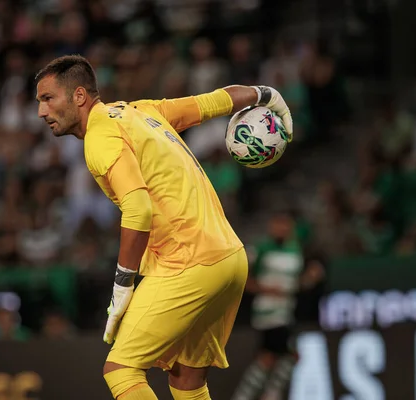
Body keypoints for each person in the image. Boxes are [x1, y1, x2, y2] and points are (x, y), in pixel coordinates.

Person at [34, 55, 293, 400]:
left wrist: (122, 285)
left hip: (188, 264)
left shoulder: (100, 137)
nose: (41, 111)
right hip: (230, 260)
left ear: (79, 96)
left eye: (47, 98)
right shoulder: (140, 111)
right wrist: (264, 94)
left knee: (121, 370)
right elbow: (214, 102)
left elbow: (138, 210)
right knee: (186, 378)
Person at [231, 212, 325, 400]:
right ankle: (258, 395)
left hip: (286, 311)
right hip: (268, 312)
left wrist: (310, 278)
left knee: (278, 357)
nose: (282, 228)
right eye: (278, 224)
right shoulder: (260, 248)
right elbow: (241, 277)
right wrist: (264, 289)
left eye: (286, 224)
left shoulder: (296, 250)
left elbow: (297, 284)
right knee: (278, 356)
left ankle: (266, 394)